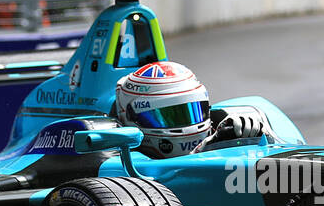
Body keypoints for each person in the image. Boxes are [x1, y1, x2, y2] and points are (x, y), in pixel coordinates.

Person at [114, 61, 266, 158]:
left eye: (193, 110)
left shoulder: (219, 132)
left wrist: (250, 138)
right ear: (132, 118)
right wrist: (207, 150)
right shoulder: (125, 164)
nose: (187, 126)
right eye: (168, 116)